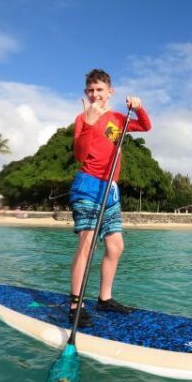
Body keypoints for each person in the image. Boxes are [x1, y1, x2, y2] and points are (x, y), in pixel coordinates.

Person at [69, 68, 152, 327]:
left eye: (99, 90)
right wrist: (90, 124)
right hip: (88, 187)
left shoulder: (118, 118)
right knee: (87, 244)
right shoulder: (82, 118)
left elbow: (146, 126)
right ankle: (75, 305)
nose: (95, 95)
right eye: (90, 90)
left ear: (109, 92)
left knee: (116, 247)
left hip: (110, 189)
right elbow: (80, 156)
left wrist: (138, 108)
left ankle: (104, 299)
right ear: (86, 92)